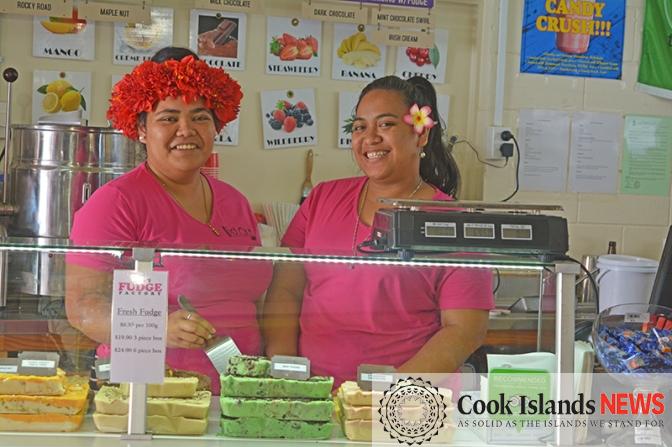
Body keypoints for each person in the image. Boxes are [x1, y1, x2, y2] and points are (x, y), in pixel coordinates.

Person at [263, 75, 493, 387]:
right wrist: (286, 373)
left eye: (385, 125)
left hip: (407, 404)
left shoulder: (453, 221)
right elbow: (285, 291)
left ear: (421, 134)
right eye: (359, 127)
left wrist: (389, 395)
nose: (369, 138)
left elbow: (465, 329)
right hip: (313, 396)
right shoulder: (321, 199)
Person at [65, 47, 271, 393]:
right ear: (142, 129)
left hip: (238, 387)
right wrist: (156, 328)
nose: (186, 130)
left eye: (200, 117)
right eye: (168, 117)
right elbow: (83, 306)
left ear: (216, 125)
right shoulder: (116, 202)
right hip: (153, 391)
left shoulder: (234, 201)